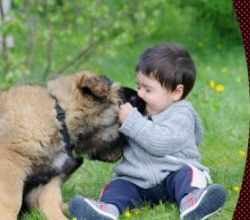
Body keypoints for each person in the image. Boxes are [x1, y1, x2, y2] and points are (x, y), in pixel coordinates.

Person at [68, 42, 226, 220]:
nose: (140, 93)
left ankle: (193, 201)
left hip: (171, 175)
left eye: (148, 89)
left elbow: (160, 143)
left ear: (176, 92)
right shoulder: (138, 109)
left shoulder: (182, 114)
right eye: (138, 86)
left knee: (187, 175)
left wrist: (131, 121)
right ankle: (106, 210)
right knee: (118, 186)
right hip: (136, 181)